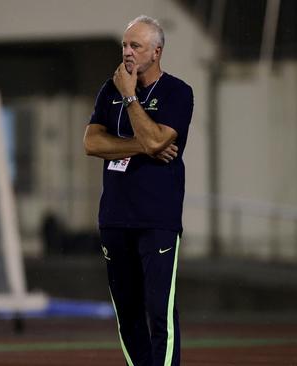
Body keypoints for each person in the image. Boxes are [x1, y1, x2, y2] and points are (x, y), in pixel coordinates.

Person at [83, 15, 193, 366]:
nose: (127, 53)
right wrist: (142, 145)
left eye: (136, 46)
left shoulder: (178, 91)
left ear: (157, 51)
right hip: (114, 218)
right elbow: (91, 142)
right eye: (124, 45)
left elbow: (160, 138)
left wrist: (131, 97)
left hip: (156, 218)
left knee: (159, 311)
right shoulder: (108, 90)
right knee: (127, 315)